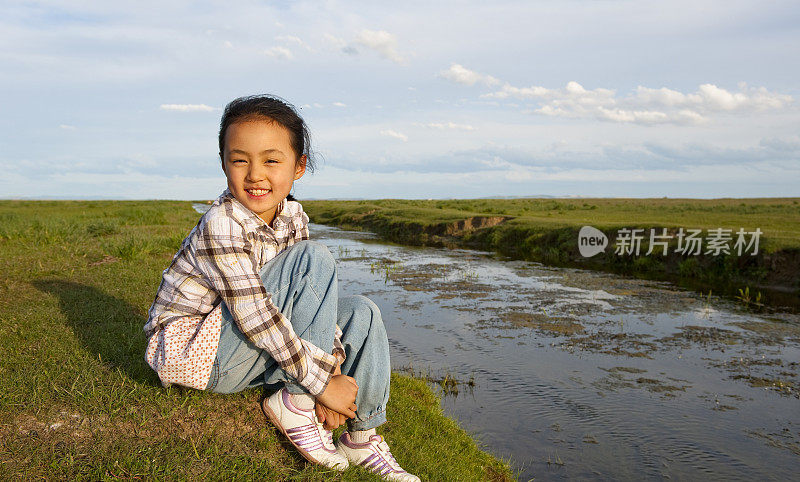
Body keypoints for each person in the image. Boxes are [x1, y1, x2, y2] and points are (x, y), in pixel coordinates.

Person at [144, 95, 420, 481]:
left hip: (244, 345)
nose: (255, 174)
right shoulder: (221, 222)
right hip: (199, 355)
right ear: (223, 162)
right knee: (314, 259)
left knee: (362, 311)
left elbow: (311, 307)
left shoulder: (292, 216)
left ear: (299, 167)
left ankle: (362, 436)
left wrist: (334, 367)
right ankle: (296, 400)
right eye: (240, 160)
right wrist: (322, 384)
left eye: (271, 161)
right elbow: (255, 316)